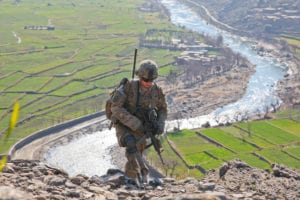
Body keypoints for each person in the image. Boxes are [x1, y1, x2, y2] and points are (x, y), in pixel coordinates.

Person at [110, 60, 167, 185]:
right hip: (124, 123)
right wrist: (134, 123)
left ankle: (138, 178)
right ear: (140, 77)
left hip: (143, 127)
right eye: (146, 80)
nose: (148, 83)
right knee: (130, 143)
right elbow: (115, 107)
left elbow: (163, 109)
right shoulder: (129, 87)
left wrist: (160, 124)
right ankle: (132, 179)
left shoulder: (157, 91)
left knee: (138, 150)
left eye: (151, 81)